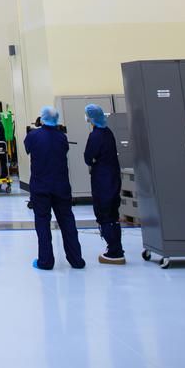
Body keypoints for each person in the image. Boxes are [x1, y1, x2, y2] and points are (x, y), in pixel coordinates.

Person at [24, 106, 85, 271]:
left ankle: (45, 261)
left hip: (41, 187)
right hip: (61, 186)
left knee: (43, 223)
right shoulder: (62, 137)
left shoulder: (33, 136)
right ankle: (76, 259)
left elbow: (28, 148)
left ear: (42, 119)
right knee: (67, 221)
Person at [84, 103, 125, 265]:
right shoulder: (108, 133)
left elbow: (88, 157)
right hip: (113, 178)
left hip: (102, 180)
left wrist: (92, 160)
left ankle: (114, 252)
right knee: (113, 215)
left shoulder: (95, 136)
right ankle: (117, 248)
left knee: (105, 215)